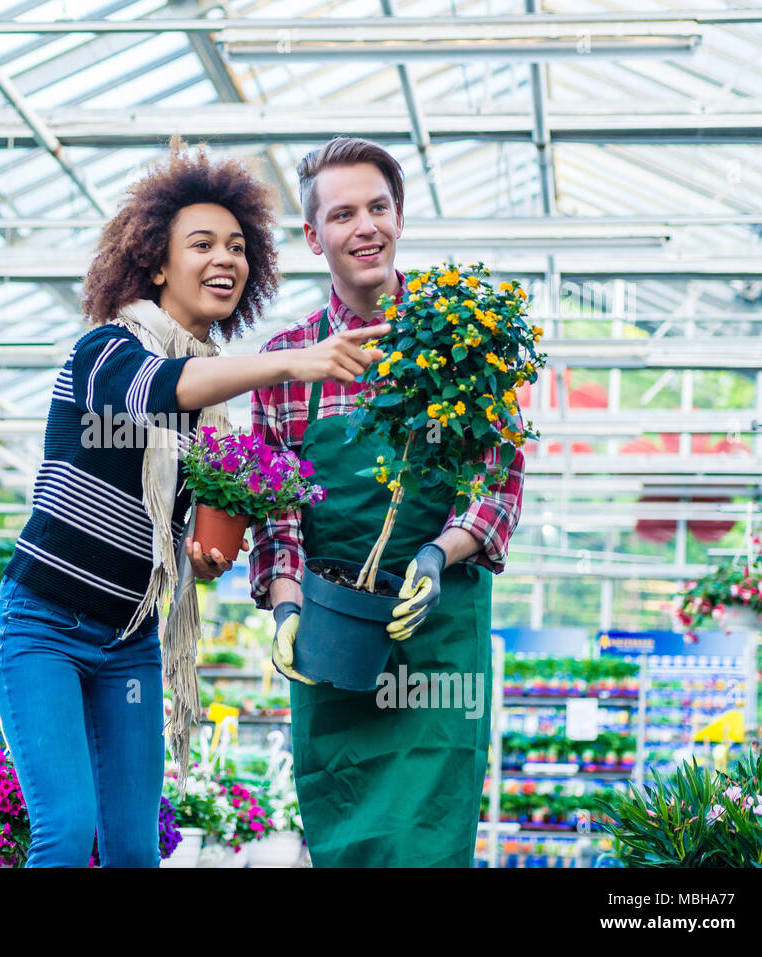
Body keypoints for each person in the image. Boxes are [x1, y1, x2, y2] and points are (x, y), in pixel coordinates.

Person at [0, 148, 388, 867]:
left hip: (132, 640)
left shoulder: (212, 416)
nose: (224, 259)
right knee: (66, 832)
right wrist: (293, 359)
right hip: (43, 626)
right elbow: (158, 387)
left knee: (137, 851)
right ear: (156, 265)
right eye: (201, 244)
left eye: (237, 246)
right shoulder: (104, 353)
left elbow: (185, 518)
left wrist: (203, 557)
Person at [249, 137, 525, 867]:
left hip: (438, 650)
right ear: (314, 236)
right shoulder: (286, 364)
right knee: (348, 843)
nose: (365, 225)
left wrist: (438, 553)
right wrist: (285, 606)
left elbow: (496, 479)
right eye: (343, 213)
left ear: (399, 217)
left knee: (426, 844)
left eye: (379, 206)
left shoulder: (465, 342)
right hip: (338, 647)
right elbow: (277, 519)